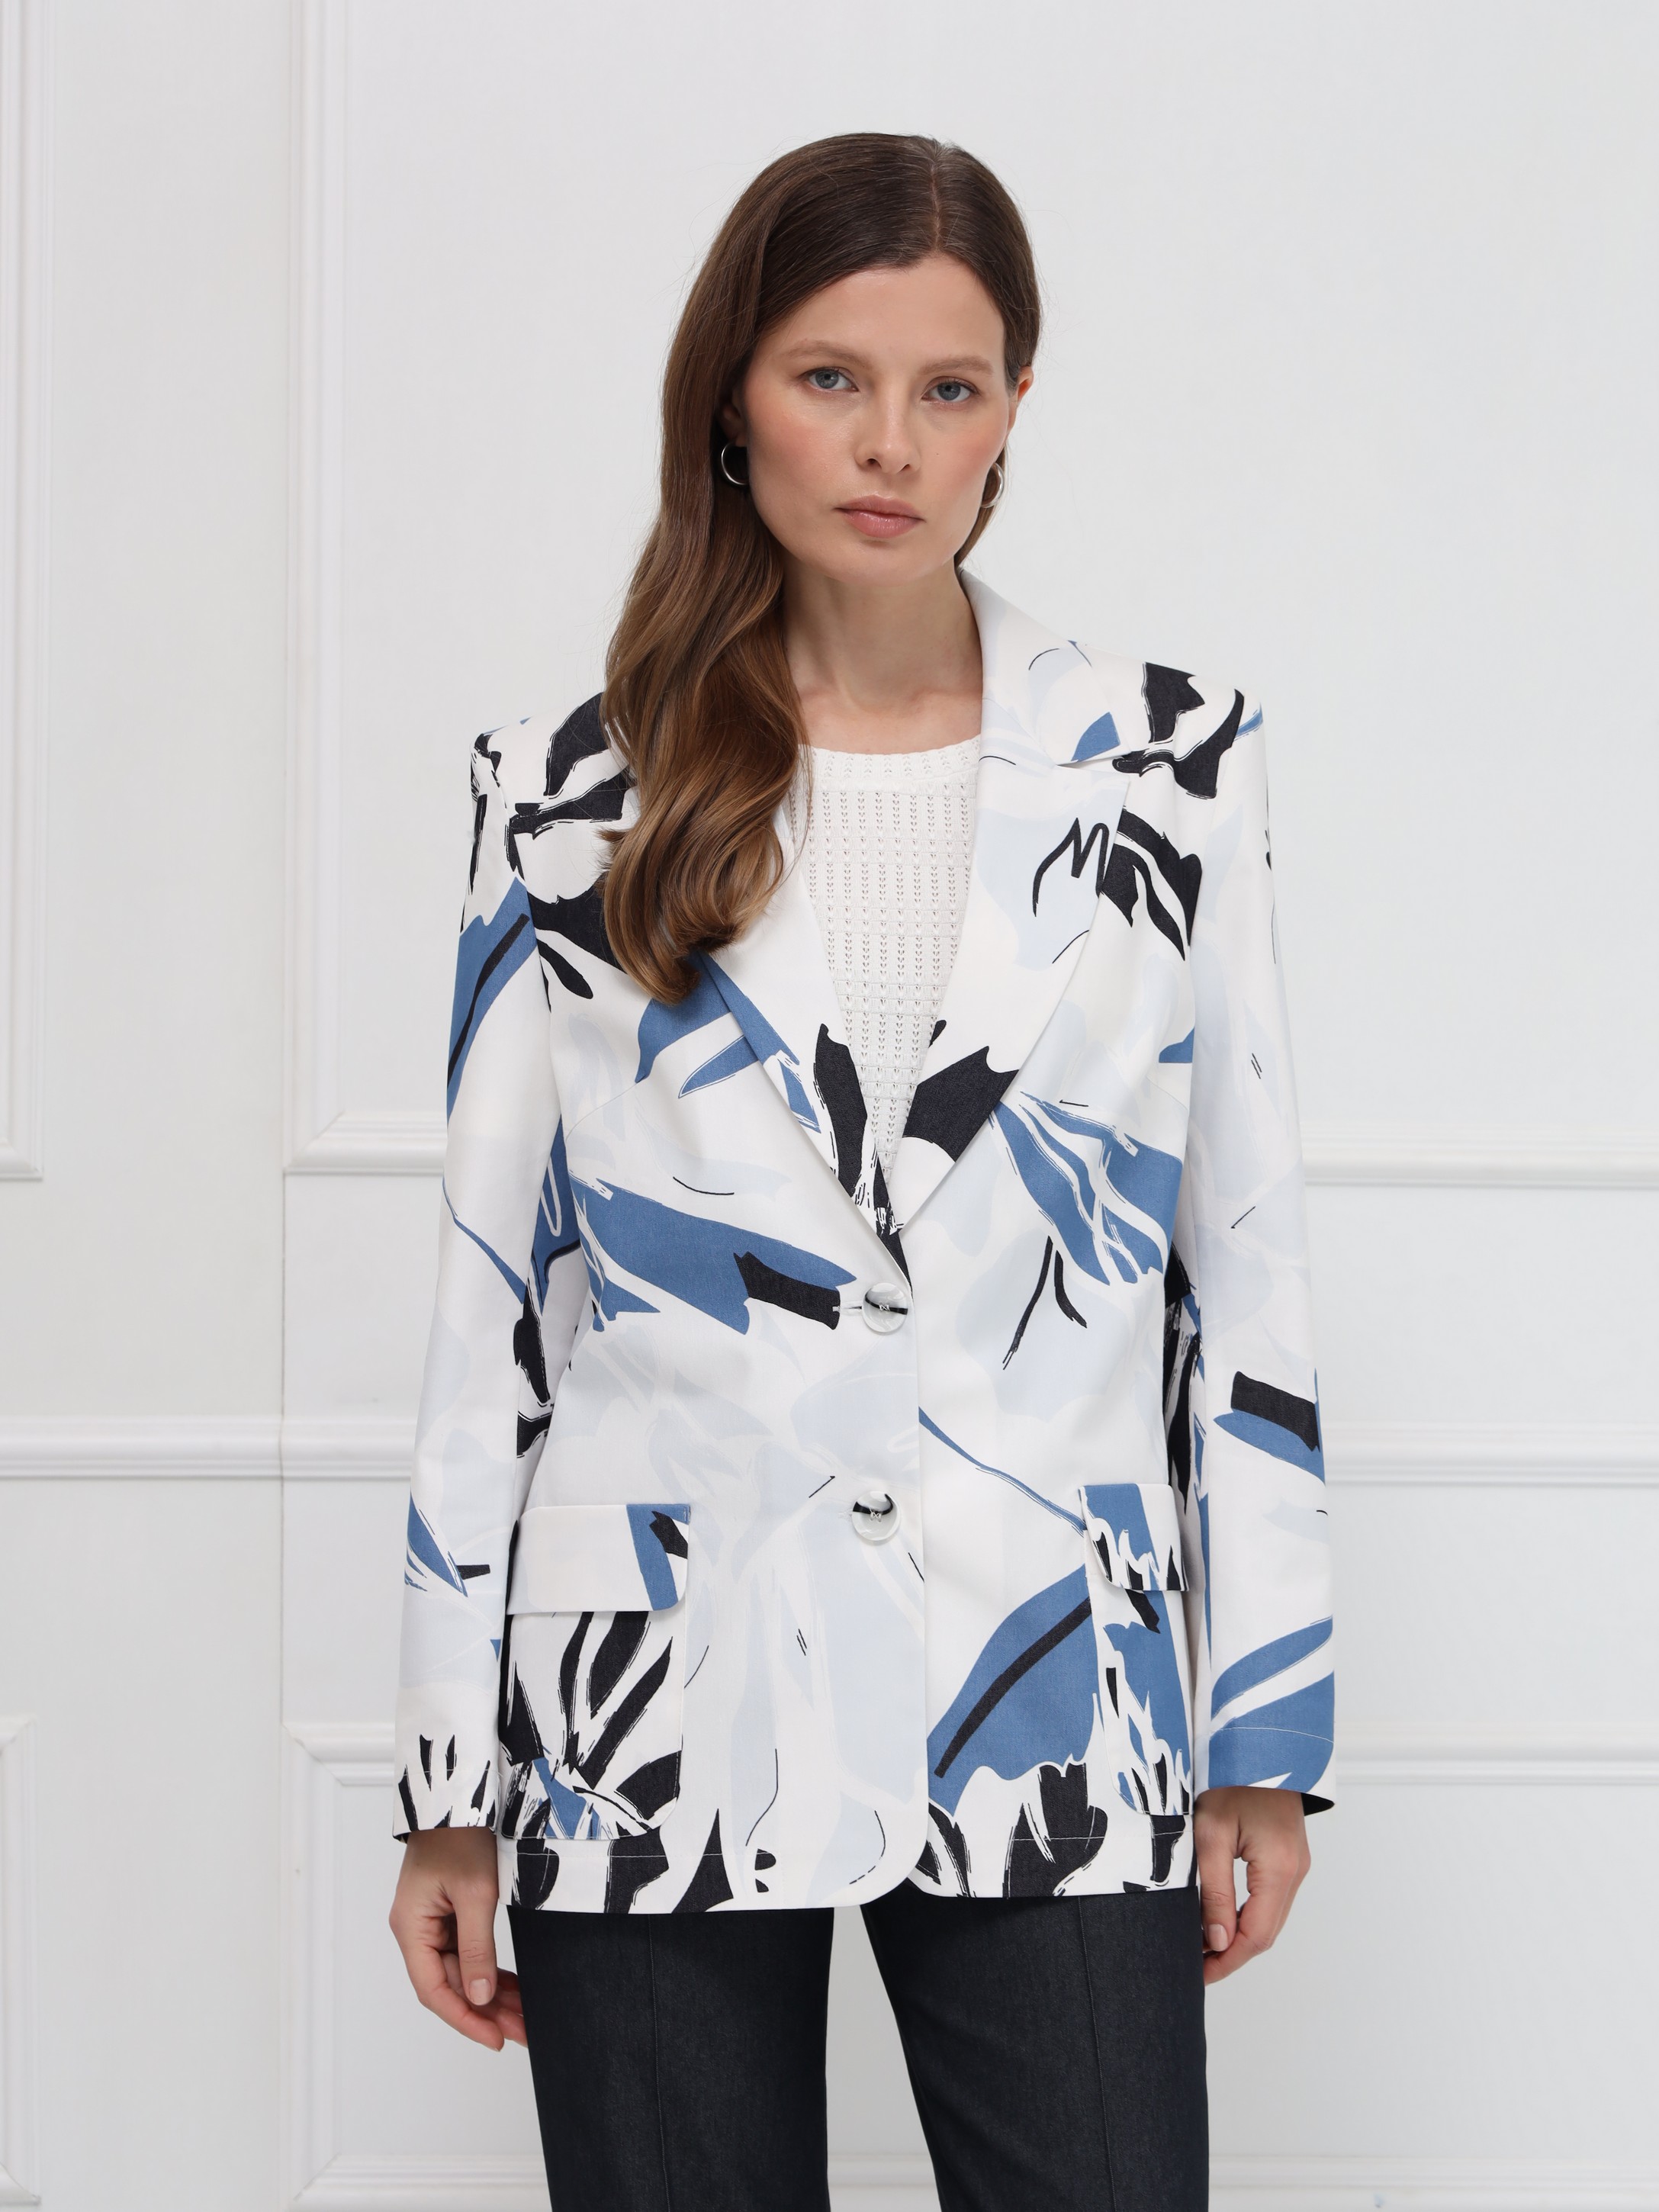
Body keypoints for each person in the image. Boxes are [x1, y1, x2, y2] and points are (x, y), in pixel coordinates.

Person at [387, 130, 1333, 2212]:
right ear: (733, 397)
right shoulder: (566, 797)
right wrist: (451, 1776)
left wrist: (1265, 1732)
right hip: (649, 1696)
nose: (892, 442)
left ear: (1013, 412)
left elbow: (1239, 1266)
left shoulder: (1175, 769)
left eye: (949, 386)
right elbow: (495, 1302)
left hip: (1054, 1678)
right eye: (832, 377)